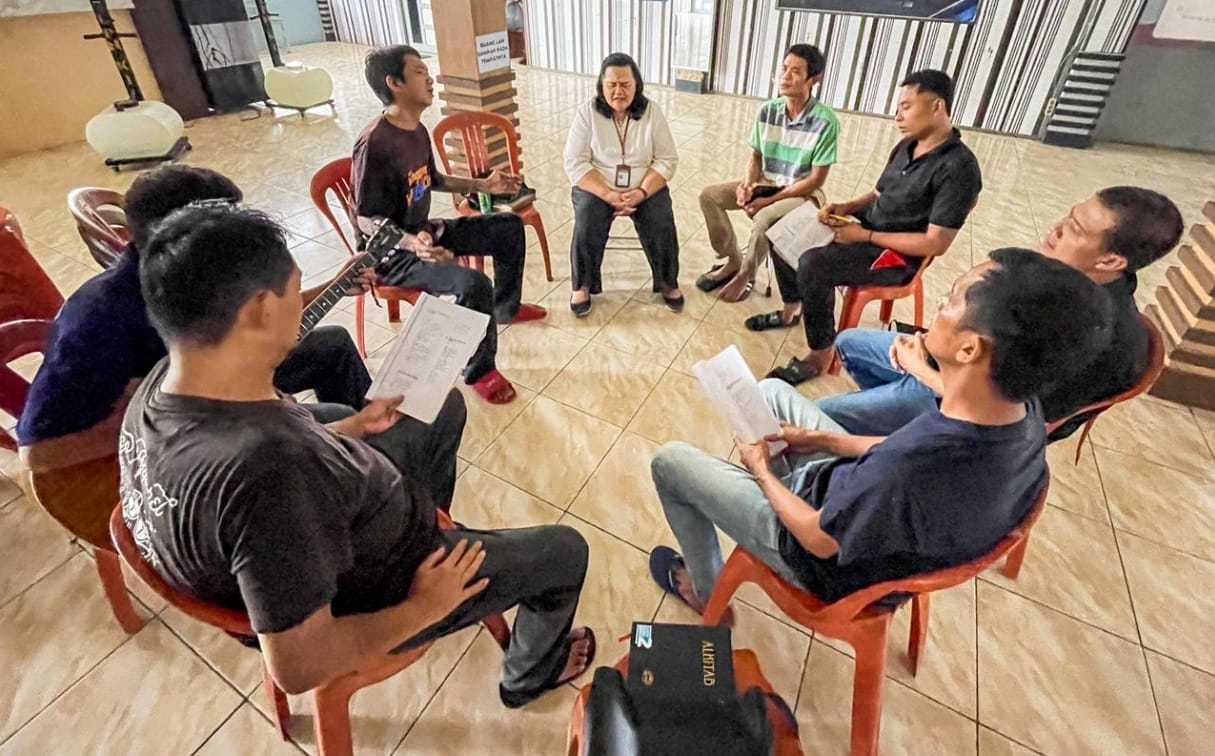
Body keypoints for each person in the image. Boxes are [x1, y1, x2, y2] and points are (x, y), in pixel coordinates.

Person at [121, 204, 594, 707]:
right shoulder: (267, 474)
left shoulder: (166, 383)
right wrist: (424, 606)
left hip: (347, 522)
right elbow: (299, 666)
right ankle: (527, 676)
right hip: (382, 585)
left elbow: (269, 491)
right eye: (293, 290)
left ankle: (436, 530)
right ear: (259, 310)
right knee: (565, 551)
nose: (301, 304)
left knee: (441, 406)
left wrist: (353, 427)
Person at [647, 249, 1113, 613]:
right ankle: (778, 475)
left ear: (970, 349)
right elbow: (897, 447)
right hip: (867, 511)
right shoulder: (1020, 414)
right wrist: (821, 439)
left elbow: (817, 538)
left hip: (819, 557)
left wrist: (762, 474)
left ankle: (706, 592)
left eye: (952, 300)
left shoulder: (909, 466)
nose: (940, 307)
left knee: (670, 461)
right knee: (770, 391)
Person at [17, 165, 372, 473]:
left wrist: (335, 285)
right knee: (331, 418)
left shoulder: (194, 278)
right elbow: (37, 454)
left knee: (332, 345)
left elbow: (263, 317)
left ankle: (369, 455)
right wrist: (177, 420)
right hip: (183, 446)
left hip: (216, 385)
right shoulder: (99, 319)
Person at [818, 186, 1184, 440]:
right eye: (1069, 216)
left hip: (964, 404)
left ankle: (907, 432)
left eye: (1074, 229)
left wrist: (923, 373)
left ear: (1110, 261)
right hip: (952, 366)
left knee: (818, 418)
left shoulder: (1093, 337)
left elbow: (1009, 421)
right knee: (849, 342)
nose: (1055, 229)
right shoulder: (1058, 279)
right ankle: (892, 423)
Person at [354, 45, 545, 405]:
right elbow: (365, 219)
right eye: (419, 72)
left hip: (424, 232)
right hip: (392, 256)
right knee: (474, 284)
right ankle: (479, 370)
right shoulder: (374, 143)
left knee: (508, 226)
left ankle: (505, 308)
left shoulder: (416, 129)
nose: (430, 78)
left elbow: (434, 178)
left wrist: (482, 185)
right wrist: (412, 243)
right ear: (394, 82)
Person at [765, 69, 982, 384]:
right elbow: (878, 194)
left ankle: (821, 353)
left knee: (813, 264)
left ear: (937, 106)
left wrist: (865, 235)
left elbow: (935, 243)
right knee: (781, 232)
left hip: (897, 257)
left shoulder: (959, 168)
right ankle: (791, 307)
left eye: (906, 107)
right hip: (866, 231)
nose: (898, 116)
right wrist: (847, 207)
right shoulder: (907, 146)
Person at [696, 44, 839, 305]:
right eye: (784, 68)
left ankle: (746, 274)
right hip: (767, 181)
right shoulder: (768, 110)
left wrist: (768, 200)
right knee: (709, 196)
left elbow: (815, 180)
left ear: (814, 79)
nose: (785, 76)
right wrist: (748, 184)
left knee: (763, 218)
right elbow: (756, 156)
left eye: (796, 71)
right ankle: (733, 259)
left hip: (804, 192)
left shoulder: (826, 121)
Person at [563, 52, 682, 316]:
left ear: (637, 85)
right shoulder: (587, 113)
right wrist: (607, 194)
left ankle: (667, 282)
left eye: (625, 84)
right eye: (612, 85)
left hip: (643, 186)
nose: (619, 91)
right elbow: (574, 162)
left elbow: (667, 159)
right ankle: (582, 285)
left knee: (661, 218)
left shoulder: (652, 112)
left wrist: (642, 191)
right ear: (601, 86)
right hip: (598, 186)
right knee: (587, 217)